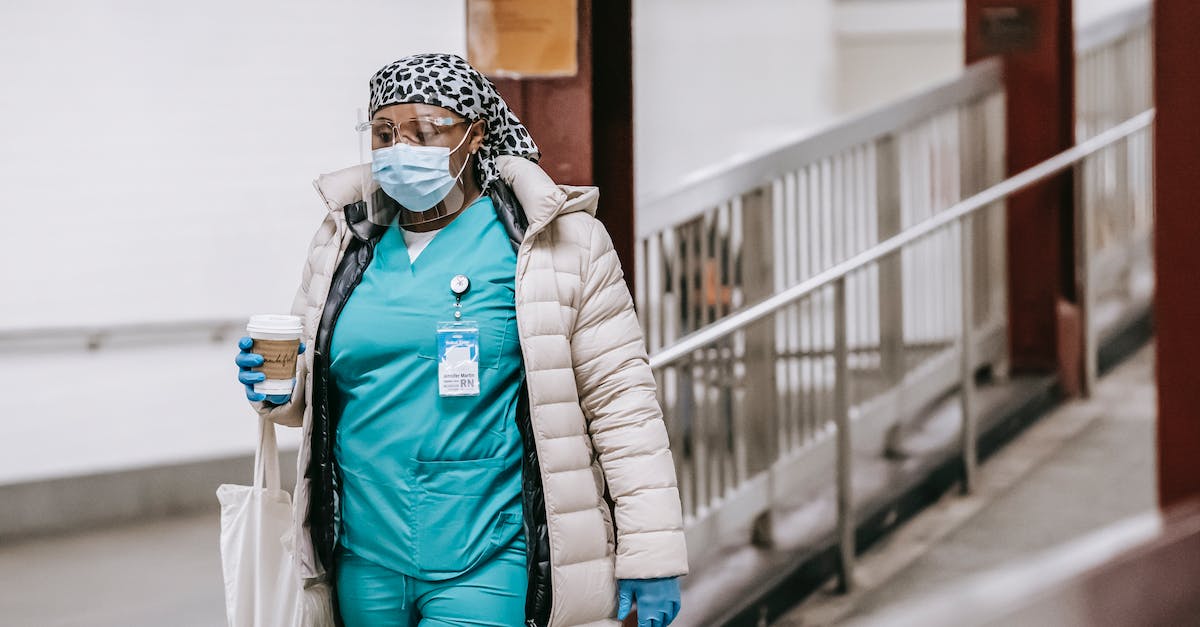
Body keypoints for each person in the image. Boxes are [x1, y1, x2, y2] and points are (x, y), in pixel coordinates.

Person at [234, 53, 688, 627]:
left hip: (490, 551)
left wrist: (651, 551)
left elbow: (621, 402)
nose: (400, 148)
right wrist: (274, 390)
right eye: (384, 133)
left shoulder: (555, 244)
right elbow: (308, 398)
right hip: (362, 551)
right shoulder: (342, 241)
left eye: (424, 131)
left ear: (474, 135)